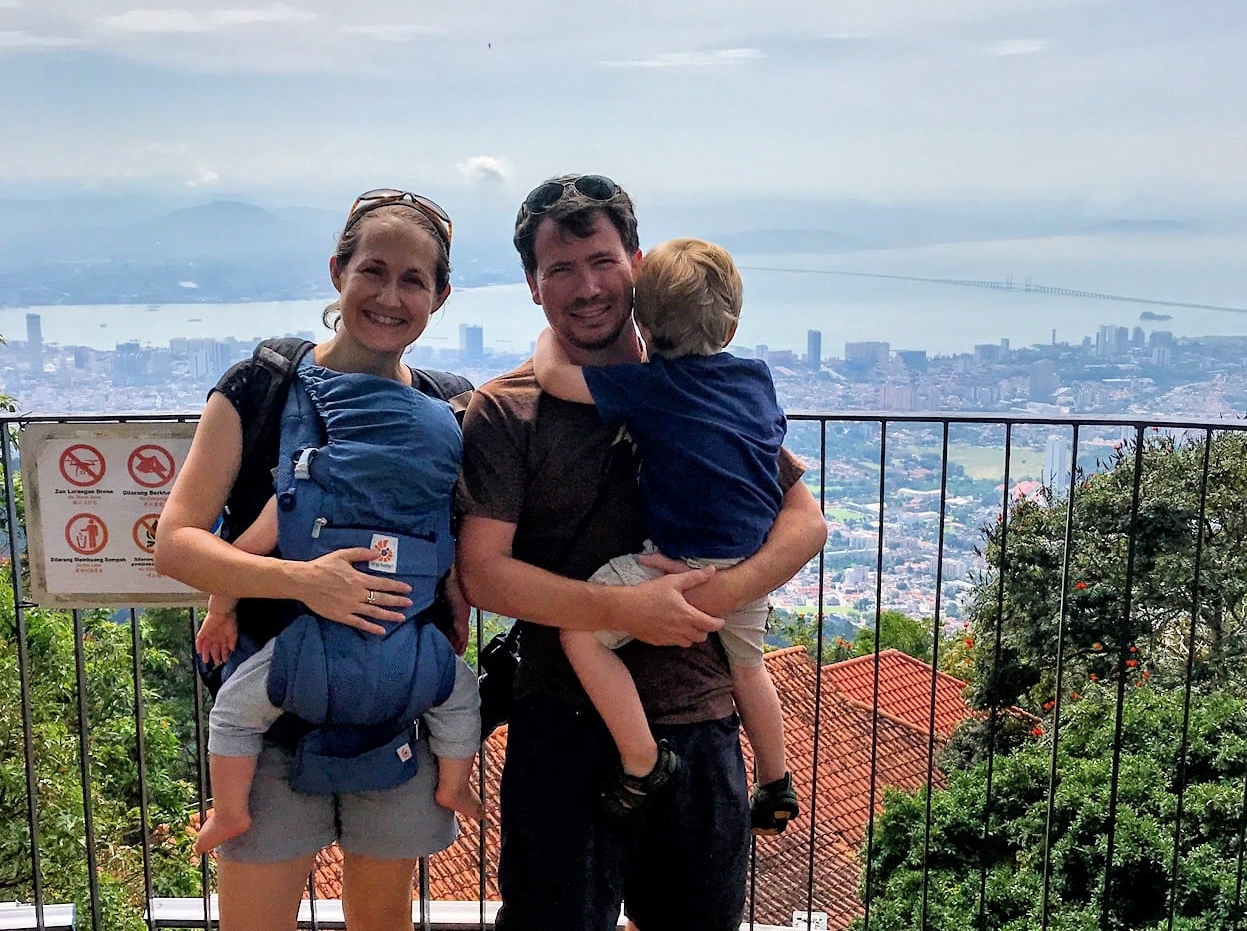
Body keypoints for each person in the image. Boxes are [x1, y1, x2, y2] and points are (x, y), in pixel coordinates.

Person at [457, 173, 828, 931]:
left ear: (636, 260)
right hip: (561, 728)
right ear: (533, 285)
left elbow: (806, 525)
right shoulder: (507, 409)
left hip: (699, 723)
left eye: (601, 261)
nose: (586, 287)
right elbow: (482, 573)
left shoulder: (697, 389)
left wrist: (706, 600)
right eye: (560, 269)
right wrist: (626, 610)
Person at [156, 189, 477, 931]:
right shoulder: (261, 387)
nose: (390, 296)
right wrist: (299, 582)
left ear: (441, 295)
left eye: (413, 280)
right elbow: (175, 543)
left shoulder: (451, 408)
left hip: (396, 715)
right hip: (272, 725)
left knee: (383, 918)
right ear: (338, 271)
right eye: (374, 270)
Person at [531, 236, 798, 832]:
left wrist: (549, 337)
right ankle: (776, 782)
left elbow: (553, 377)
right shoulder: (754, 381)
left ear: (642, 323)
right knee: (749, 667)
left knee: (580, 635)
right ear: (729, 329)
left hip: (678, 561)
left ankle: (642, 758)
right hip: (749, 559)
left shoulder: (650, 386)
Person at [193, 489, 483, 854]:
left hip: (310, 655)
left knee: (233, 717)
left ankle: (230, 812)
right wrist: (457, 610)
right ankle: (455, 785)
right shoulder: (426, 495)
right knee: (460, 700)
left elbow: (240, 556)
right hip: (406, 649)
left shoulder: (305, 487)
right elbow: (450, 567)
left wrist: (220, 612)